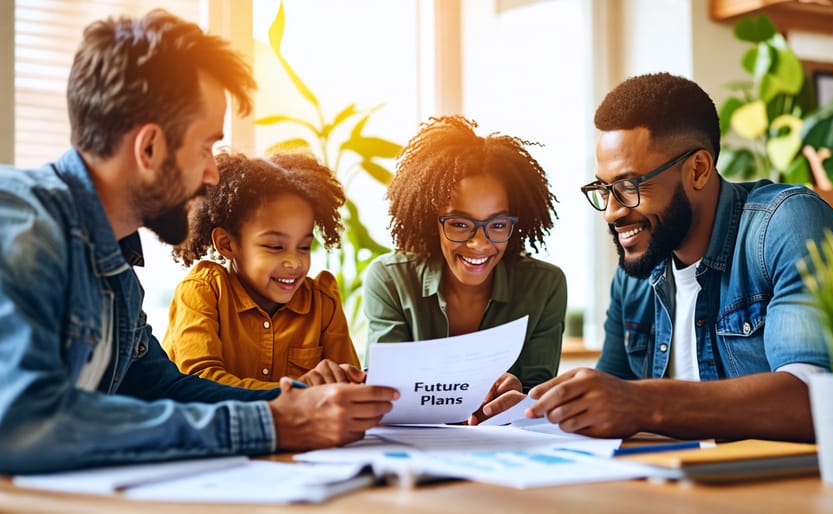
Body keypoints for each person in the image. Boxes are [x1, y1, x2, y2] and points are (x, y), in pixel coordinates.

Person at [0, 10, 396, 475]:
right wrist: (272, 424)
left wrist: (306, 403)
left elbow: (164, 389)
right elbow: (20, 422)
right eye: (206, 147)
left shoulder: (115, 266)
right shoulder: (23, 227)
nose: (211, 175)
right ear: (149, 148)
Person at [523, 72, 833, 442]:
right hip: (673, 476)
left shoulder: (784, 225)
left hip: (784, 479)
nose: (611, 212)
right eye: (604, 189)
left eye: (629, 186)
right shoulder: (635, 274)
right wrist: (532, 410)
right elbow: (608, 404)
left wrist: (645, 404)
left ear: (698, 169)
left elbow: (818, 400)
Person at [363, 115, 566, 423]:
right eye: (459, 224)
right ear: (431, 220)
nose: (479, 243)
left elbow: (538, 397)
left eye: (498, 225)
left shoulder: (545, 286)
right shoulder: (391, 279)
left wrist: (519, 395)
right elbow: (385, 393)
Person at [163, 151, 363, 389]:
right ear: (227, 244)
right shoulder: (203, 292)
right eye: (275, 247)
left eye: (304, 247)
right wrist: (296, 391)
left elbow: (347, 385)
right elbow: (201, 382)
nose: (294, 262)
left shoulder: (323, 301)